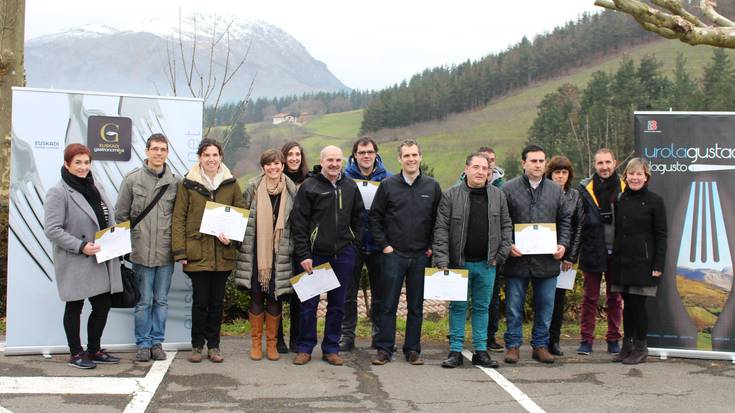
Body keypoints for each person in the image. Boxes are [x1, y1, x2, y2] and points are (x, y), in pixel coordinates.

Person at [44, 143, 122, 369]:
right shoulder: (58, 192)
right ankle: (76, 353)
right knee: (75, 306)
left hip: (100, 256)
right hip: (76, 258)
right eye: (77, 162)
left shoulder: (96, 185)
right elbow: (52, 229)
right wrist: (80, 246)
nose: (83, 167)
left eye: (86, 162)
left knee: (102, 305)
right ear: (67, 164)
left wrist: (116, 237)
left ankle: (94, 349)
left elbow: (107, 216)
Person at [433, 152, 512, 369]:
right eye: (475, 167)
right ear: (466, 169)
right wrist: (442, 260)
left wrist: (501, 254)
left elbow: (506, 226)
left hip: (488, 264)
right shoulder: (450, 195)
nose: (480, 172)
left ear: (489, 172)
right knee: (457, 308)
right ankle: (455, 351)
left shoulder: (498, 196)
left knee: (482, 307)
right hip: (459, 264)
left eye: (484, 168)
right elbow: (441, 229)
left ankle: (481, 351)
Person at [172, 138, 246, 363]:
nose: (211, 159)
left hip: (223, 254)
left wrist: (231, 238)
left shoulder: (231, 184)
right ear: (200, 158)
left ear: (221, 157)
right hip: (197, 253)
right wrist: (180, 252)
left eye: (215, 155)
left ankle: (214, 346)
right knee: (200, 302)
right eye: (207, 155)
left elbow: (241, 214)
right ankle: (197, 346)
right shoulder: (187, 184)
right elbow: (178, 218)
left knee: (216, 303)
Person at [369, 139, 442, 366]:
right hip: (394, 255)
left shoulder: (432, 186)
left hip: (421, 255)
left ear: (420, 157)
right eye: (406, 155)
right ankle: (384, 349)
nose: (411, 159)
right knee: (388, 304)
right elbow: (375, 218)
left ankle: (412, 350)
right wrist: (385, 246)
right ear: (400, 159)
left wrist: (431, 245)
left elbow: (439, 220)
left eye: (414, 155)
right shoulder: (388, 185)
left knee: (416, 306)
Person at [290, 145, 364, 366]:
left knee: (338, 305)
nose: (334, 164)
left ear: (343, 162)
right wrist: (304, 254)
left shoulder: (350, 186)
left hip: (343, 255)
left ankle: (331, 348)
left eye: (338, 160)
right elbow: (299, 223)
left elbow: (359, 218)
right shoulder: (310, 187)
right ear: (321, 162)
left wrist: (353, 245)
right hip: (315, 256)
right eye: (329, 160)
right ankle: (304, 348)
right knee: (308, 305)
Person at [501, 144, 570, 364]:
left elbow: (565, 220)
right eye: (533, 161)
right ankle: (512, 346)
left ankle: (540, 345)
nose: (538, 165)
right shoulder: (508, 189)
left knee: (546, 305)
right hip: (517, 259)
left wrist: (563, 245)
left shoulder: (556, 190)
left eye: (541, 161)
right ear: (524, 163)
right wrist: (507, 243)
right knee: (513, 306)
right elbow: (501, 221)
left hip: (547, 261)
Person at [115, 133, 179, 362]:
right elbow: (121, 215)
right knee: (143, 302)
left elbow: (179, 218)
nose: (159, 153)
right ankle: (142, 343)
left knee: (161, 300)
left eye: (163, 149)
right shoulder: (132, 180)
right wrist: (125, 247)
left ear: (167, 152)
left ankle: (157, 342)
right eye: (155, 149)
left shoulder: (175, 182)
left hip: (165, 253)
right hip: (140, 253)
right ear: (147, 151)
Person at [235, 149, 298, 361]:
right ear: (263, 167)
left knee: (274, 297)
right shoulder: (253, 188)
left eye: (277, 164)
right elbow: (241, 217)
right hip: (255, 252)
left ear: (282, 165)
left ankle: (271, 344)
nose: (273, 167)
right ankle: (255, 343)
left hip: (280, 253)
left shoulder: (291, 190)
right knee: (255, 296)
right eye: (268, 164)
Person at [610, 158, 666, 364]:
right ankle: (627, 346)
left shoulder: (655, 201)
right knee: (627, 305)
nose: (635, 178)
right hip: (623, 262)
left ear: (646, 177)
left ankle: (641, 347)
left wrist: (658, 265)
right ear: (626, 176)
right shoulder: (621, 198)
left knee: (638, 306)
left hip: (644, 263)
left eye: (639, 174)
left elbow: (661, 235)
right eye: (631, 174)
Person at [339, 136, 392, 351]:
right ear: (354, 156)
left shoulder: (388, 179)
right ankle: (347, 336)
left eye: (370, 152)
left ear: (376, 154)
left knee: (381, 293)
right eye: (361, 153)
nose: (366, 156)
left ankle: (379, 337)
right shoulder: (345, 179)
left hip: (379, 244)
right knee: (347, 293)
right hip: (351, 243)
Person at [577, 148, 625, 355]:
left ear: (615, 162)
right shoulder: (584, 188)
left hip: (619, 251)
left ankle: (613, 338)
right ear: (594, 166)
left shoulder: (626, 186)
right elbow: (577, 220)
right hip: (592, 249)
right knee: (590, 297)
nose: (604, 167)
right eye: (600, 163)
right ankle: (586, 340)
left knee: (615, 298)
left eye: (608, 162)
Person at [545, 155, 584, 356]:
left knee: (558, 300)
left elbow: (578, 228)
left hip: (564, 257)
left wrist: (571, 256)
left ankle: (554, 340)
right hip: (542, 254)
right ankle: (540, 340)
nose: (560, 176)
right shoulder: (543, 193)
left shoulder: (575, 196)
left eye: (564, 173)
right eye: (557, 172)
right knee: (543, 299)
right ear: (550, 174)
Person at [278, 141, 310, 354]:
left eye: (297, 154)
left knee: (301, 294)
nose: (294, 158)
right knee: (278, 294)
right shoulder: (276, 180)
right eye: (290, 154)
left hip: (303, 243)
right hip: (280, 241)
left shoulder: (311, 181)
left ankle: (298, 339)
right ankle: (278, 338)